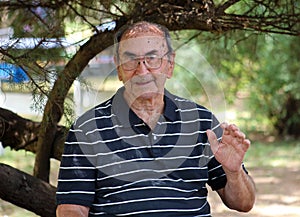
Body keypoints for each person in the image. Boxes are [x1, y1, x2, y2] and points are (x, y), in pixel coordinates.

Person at [56, 21, 256, 217]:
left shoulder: (202, 122)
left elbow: (243, 203)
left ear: (170, 64)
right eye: (130, 60)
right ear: (118, 68)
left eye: (152, 59)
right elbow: (71, 209)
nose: (142, 71)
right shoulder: (87, 129)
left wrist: (234, 172)